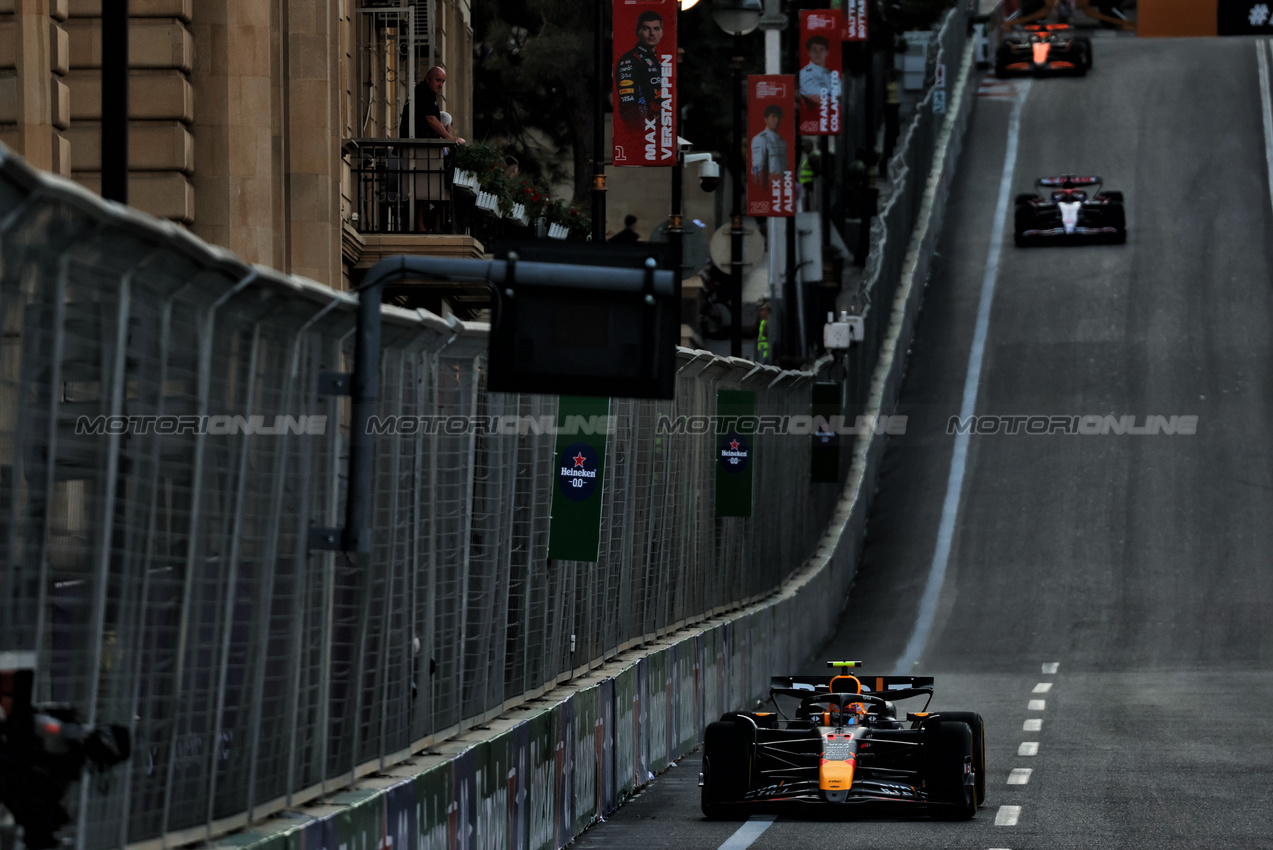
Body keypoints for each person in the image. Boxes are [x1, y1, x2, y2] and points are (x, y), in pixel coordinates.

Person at [399, 66, 465, 232]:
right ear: (428, 79)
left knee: (423, 187)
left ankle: (422, 224)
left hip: (423, 150)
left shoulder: (429, 95)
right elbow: (431, 120)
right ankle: (418, 225)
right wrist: (451, 140)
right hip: (418, 149)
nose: (440, 84)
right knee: (420, 186)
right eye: (438, 80)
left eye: (443, 81)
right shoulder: (422, 92)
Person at [615, 10, 665, 129]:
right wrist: (644, 130)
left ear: (662, 32)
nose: (652, 33)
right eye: (647, 28)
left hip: (657, 129)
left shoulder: (656, 61)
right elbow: (629, 105)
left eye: (656, 28)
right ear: (638, 32)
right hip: (643, 132)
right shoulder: (630, 60)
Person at [750, 105, 788, 187]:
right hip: (768, 184)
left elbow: (785, 166)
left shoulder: (782, 141)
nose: (776, 120)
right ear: (766, 119)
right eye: (773, 117)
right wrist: (757, 185)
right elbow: (757, 165)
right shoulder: (760, 139)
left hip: (782, 184)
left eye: (779, 117)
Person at [799, 35, 836, 106]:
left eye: (821, 50)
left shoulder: (832, 74)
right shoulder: (804, 73)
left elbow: (840, 92)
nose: (818, 53)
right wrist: (833, 95)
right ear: (809, 53)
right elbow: (815, 93)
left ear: (826, 53)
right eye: (814, 50)